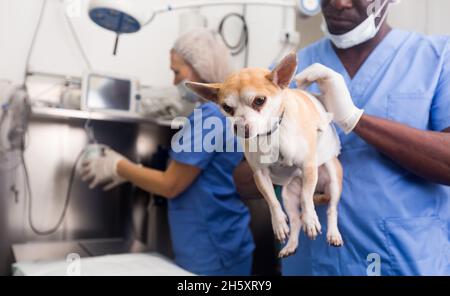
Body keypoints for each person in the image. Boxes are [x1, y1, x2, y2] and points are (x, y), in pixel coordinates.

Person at [283, 0, 450, 275]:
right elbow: (244, 180)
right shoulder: (289, 71)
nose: (339, 3)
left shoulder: (437, 58)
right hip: (314, 262)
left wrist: (353, 119)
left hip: (404, 259)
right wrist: (284, 168)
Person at [80, 28, 255, 276]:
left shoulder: (210, 116)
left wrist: (118, 166)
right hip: (217, 242)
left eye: (177, 72)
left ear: (199, 68)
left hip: (213, 250)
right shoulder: (221, 112)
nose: (174, 81)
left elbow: (171, 185)